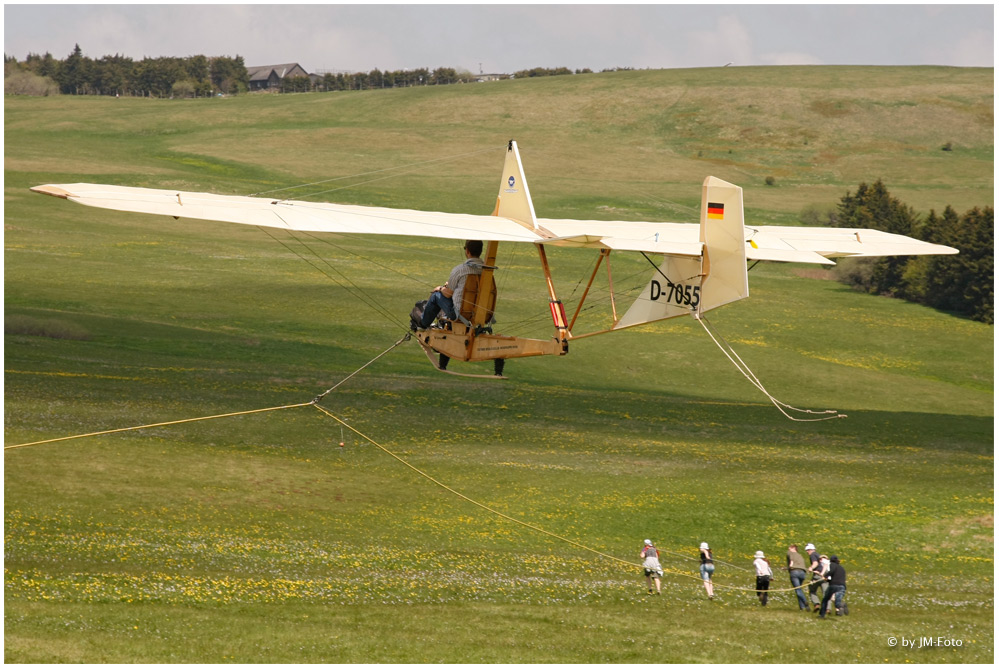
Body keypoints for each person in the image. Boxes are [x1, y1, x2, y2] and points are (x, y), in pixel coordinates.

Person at [418, 240, 484, 329]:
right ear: (480, 251)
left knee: (435, 296)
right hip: (480, 313)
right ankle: (444, 319)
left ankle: (423, 324)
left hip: (460, 313)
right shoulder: (486, 271)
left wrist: (440, 288)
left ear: (467, 251)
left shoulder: (459, 270)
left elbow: (448, 294)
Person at [786, 544, 809, 611]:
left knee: (797, 589)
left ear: (793, 548)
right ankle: (802, 607)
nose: (788, 549)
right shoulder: (800, 555)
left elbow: (791, 560)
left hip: (794, 572)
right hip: (802, 573)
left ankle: (805, 602)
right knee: (799, 589)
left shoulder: (790, 552)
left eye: (789, 547)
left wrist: (790, 566)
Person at [805, 542, 824, 612]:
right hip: (824, 575)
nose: (807, 552)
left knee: (812, 590)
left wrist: (811, 568)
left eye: (807, 550)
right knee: (826, 593)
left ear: (811, 550)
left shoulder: (813, 555)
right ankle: (828, 609)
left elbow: (815, 563)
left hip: (817, 576)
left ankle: (816, 604)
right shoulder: (819, 555)